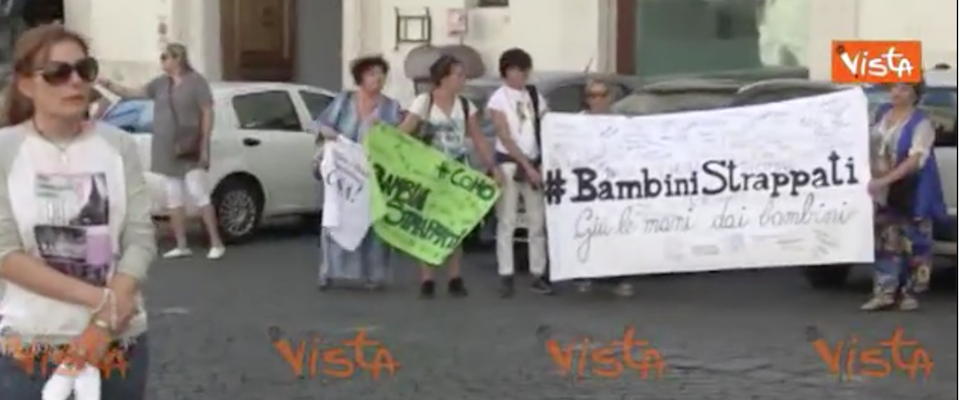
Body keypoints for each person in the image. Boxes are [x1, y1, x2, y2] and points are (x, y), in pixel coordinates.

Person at [0, 24, 154, 399]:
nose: (74, 82)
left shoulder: (120, 146)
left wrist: (102, 324)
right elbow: (5, 253)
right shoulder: (6, 150)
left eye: (83, 70)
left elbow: (140, 238)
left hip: (118, 345)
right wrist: (100, 300)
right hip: (32, 347)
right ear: (26, 85)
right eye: (57, 73)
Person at [99, 43, 225, 260]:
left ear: (177, 58)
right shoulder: (160, 84)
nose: (162, 61)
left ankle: (216, 242)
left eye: (165, 57)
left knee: (198, 192)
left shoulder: (196, 82)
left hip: (190, 146)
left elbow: (207, 112)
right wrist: (108, 84)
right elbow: (132, 93)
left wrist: (204, 144)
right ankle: (181, 244)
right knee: (173, 196)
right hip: (167, 148)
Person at [398, 55, 503, 298]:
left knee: (456, 225)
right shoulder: (424, 102)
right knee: (428, 224)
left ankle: (455, 276)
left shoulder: (465, 105)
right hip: (430, 170)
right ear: (443, 77)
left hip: (457, 169)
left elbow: (477, 138)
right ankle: (427, 278)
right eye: (458, 75)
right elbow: (405, 131)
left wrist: (492, 166)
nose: (462, 80)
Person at [312, 55, 402, 291]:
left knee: (374, 222)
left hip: (374, 171)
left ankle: (376, 275)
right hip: (344, 170)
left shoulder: (391, 106)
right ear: (360, 77)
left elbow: (399, 139)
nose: (378, 78)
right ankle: (330, 271)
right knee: (336, 218)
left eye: (381, 73)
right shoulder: (344, 100)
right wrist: (333, 136)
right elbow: (323, 125)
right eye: (372, 73)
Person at [864, 80, 946, 311]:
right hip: (883, 190)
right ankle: (884, 292)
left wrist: (886, 179)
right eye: (894, 88)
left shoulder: (922, 123)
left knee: (914, 240)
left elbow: (915, 160)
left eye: (903, 89)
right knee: (885, 239)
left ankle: (908, 292)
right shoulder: (880, 114)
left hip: (912, 187)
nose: (896, 93)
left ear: (914, 95)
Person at [488, 48, 551, 297]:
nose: (520, 75)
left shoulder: (534, 96)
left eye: (523, 70)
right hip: (510, 163)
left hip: (534, 163)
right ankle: (506, 274)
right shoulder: (498, 99)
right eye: (515, 70)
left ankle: (538, 272)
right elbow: (504, 135)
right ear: (506, 72)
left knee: (537, 222)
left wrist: (540, 164)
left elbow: (546, 126)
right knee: (507, 221)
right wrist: (525, 165)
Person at [573, 80, 633, 297]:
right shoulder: (574, 123)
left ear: (610, 97)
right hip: (585, 185)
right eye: (592, 95)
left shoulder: (621, 122)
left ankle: (620, 278)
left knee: (616, 230)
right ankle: (585, 275)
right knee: (586, 230)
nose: (596, 100)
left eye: (601, 95)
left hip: (614, 185)